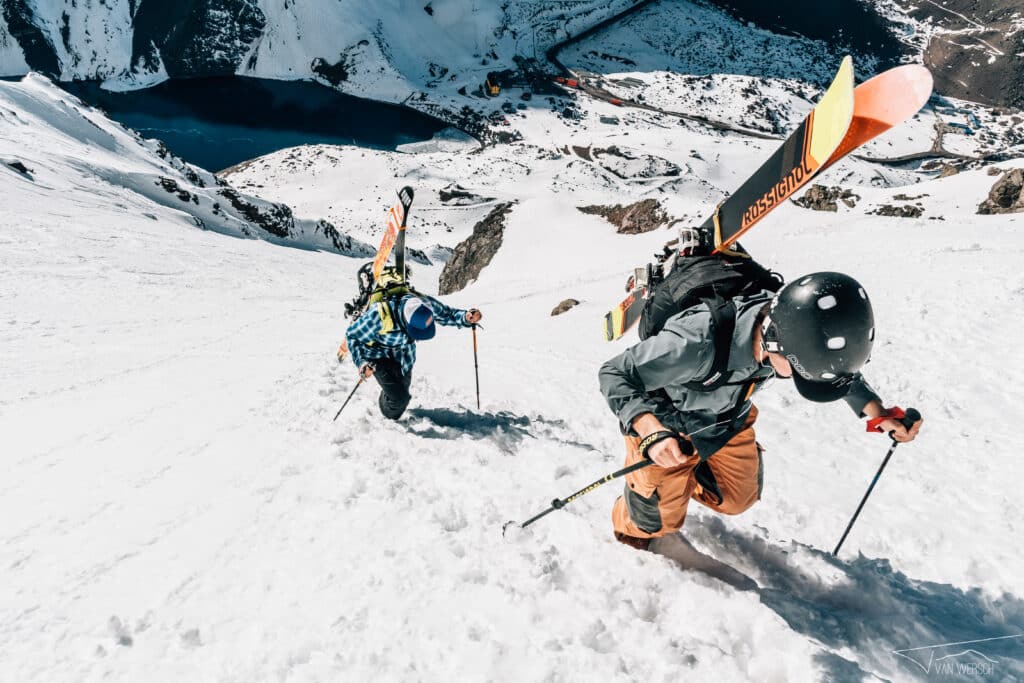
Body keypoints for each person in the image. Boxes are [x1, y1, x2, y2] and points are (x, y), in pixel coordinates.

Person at [598, 270, 923, 550]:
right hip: (666, 424)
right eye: (798, 372)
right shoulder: (696, 340)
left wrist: (879, 414)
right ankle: (636, 508)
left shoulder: (792, 322)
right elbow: (616, 373)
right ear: (774, 342)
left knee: (739, 498)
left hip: (726, 420)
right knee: (652, 525)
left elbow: (831, 369)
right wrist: (650, 430)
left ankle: (680, 479)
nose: (797, 377)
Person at [345, 292, 482, 420]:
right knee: (399, 401)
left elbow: (447, 314)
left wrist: (466, 317)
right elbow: (353, 337)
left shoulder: (424, 305)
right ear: (406, 321)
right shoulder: (377, 316)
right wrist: (362, 362)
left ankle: (391, 392)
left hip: (404, 358)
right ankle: (388, 407)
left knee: (400, 393)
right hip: (378, 358)